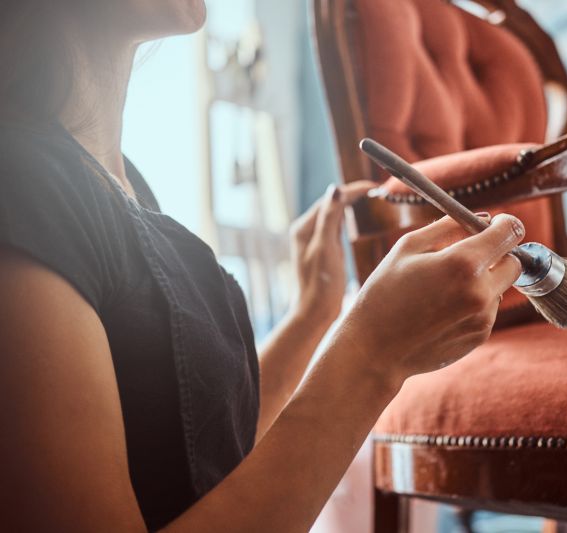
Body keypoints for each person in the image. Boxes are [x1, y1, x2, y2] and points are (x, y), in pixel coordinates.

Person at [0, 1, 525, 531]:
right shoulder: (18, 189)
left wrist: (312, 317)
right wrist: (370, 357)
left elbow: (205, 444)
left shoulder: (114, 181)